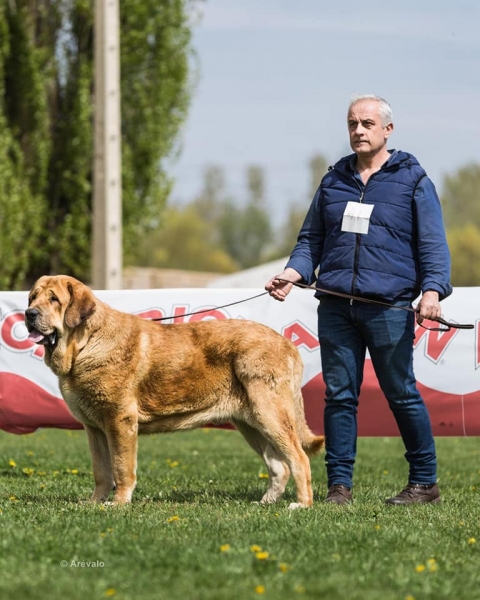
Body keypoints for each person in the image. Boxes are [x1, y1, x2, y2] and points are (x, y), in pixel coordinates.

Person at [265, 94, 452, 505]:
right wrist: (292, 273)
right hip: (335, 306)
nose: (358, 131)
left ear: (387, 130)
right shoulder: (333, 182)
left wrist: (433, 291)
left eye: (367, 123)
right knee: (341, 396)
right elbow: (311, 240)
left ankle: (425, 483)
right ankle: (339, 487)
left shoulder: (413, 181)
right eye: (352, 123)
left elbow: (433, 245)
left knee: (401, 392)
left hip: (388, 308)